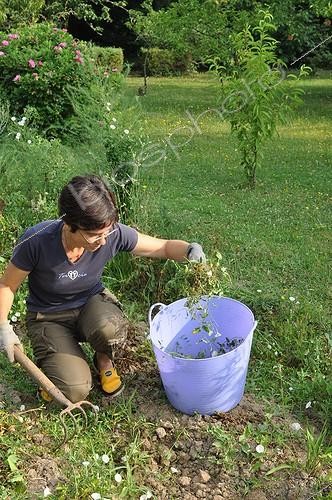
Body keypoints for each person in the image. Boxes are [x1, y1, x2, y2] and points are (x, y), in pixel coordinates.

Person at [0, 174, 205, 403]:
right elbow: (7, 285)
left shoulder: (110, 233)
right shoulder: (37, 241)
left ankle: (104, 359)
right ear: (69, 225)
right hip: (48, 317)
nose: (103, 241)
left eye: (106, 232)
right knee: (74, 389)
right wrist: (3, 327)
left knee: (110, 329)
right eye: (94, 235)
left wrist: (189, 250)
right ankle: (59, 361)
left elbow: (164, 247)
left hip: (90, 305)